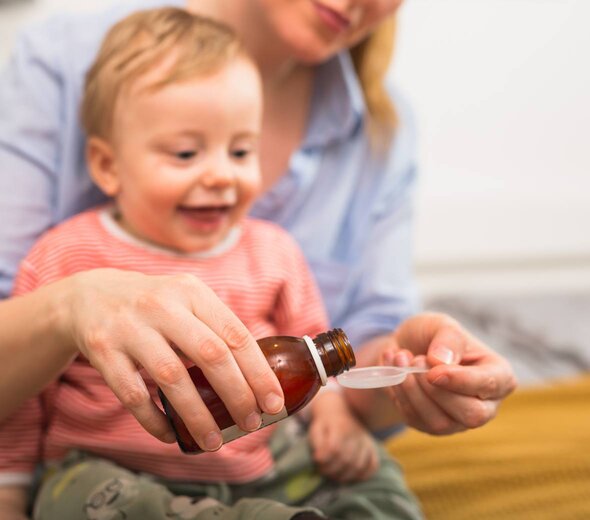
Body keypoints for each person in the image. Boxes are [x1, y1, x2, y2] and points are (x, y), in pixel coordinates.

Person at [0, 0, 516, 515]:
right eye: (186, 153)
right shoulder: (65, 254)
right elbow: (24, 402)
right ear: (107, 165)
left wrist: (338, 410)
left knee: (378, 478)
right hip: (114, 469)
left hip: (262, 467)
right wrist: (10, 486)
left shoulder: (274, 252)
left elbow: (315, 352)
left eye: (242, 152)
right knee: (85, 497)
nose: (222, 175)